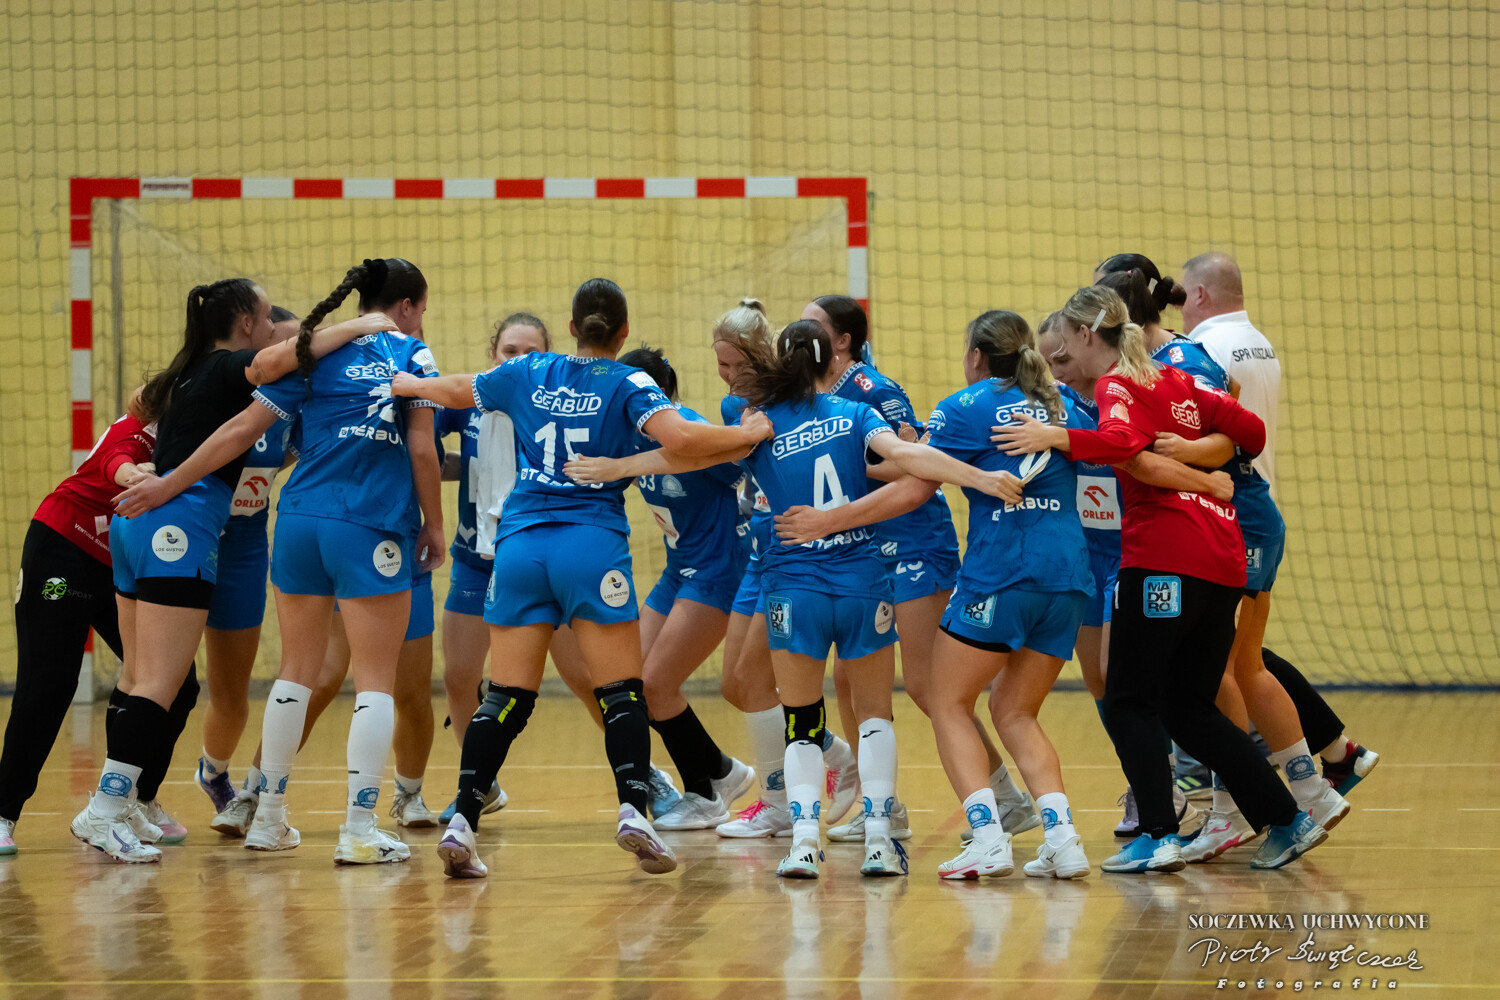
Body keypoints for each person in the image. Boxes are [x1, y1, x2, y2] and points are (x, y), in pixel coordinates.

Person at [391, 278, 772, 879]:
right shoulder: (629, 381)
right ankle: (635, 812)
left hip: (519, 545)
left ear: (570, 328)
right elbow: (682, 439)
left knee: (505, 695)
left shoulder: (527, 371)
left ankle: (463, 818)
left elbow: (461, 388)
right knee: (620, 690)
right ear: (623, 332)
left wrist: (410, 385)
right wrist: (748, 434)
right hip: (590, 546)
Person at [995, 285, 1336, 872]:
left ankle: (1158, 833)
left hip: (1164, 557)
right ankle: (1290, 819)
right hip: (1222, 555)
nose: (1061, 359)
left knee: (1128, 699)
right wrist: (1201, 454)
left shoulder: (1116, 385)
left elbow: (1120, 443)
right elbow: (1251, 431)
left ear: (1085, 335)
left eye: (1066, 346)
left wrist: (1056, 436)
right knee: (1188, 707)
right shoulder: (1177, 380)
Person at [116, 259, 445, 866]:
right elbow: (423, 449)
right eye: (421, 309)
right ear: (406, 307)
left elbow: (240, 429)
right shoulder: (410, 353)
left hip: (296, 525)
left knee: (294, 673)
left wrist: (169, 482)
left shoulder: (314, 354)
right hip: (369, 523)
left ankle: (267, 819)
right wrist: (435, 524)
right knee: (375, 680)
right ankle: (359, 828)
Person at [738, 319, 1026, 880]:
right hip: (863, 581)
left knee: (802, 720)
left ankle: (804, 843)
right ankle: (879, 837)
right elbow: (913, 458)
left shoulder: (760, 424)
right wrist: (979, 478)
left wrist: (620, 466)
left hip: (796, 585)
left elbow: (681, 453)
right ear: (830, 359)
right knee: (875, 715)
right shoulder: (853, 414)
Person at [1100, 267, 1353, 859]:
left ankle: (1281, 797)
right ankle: (1307, 781)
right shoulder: (1178, 359)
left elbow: (1235, 434)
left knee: (1234, 669)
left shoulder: (1185, 358)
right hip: (1214, 518)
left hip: (1231, 517)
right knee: (1214, 677)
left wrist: (1191, 460)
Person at [799, 296, 1037, 847]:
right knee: (847, 678)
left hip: (913, 544)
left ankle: (1006, 798)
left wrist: (849, 464)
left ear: (842, 341)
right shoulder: (818, 397)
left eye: (814, 325)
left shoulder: (873, 390)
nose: (803, 333)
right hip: (868, 547)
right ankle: (883, 806)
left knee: (929, 687)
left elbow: (915, 463)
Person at [1178, 252, 1379, 793]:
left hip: (1233, 508)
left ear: (1200, 295)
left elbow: (1215, 436)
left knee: (1227, 657)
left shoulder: (1205, 349)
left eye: (1184, 297)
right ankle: (1334, 752)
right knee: (1240, 652)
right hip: (1255, 503)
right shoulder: (1257, 342)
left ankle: (1242, 780)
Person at [0, 389, 181, 855]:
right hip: (64, 545)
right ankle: (3, 811)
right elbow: (117, 461)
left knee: (174, 680)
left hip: (117, 563)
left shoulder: (199, 438)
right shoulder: (142, 430)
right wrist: (135, 475)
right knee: (50, 681)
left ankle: (130, 801)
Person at [613, 344, 755, 829]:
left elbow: (746, 464)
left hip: (718, 570)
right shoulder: (630, 438)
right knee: (630, 681)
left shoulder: (690, 430)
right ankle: (722, 771)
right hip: (679, 569)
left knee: (657, 684)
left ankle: (705, 793)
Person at [195, 305, 297, 831]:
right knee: (160, 686)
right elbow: (144, 406)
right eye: (285, 346)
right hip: (190, 536)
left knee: (232, 698)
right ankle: (133, 794)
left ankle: (212, 772)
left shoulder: (295, 407)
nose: (294, 357)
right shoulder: (216, 386)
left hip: (246, 547)